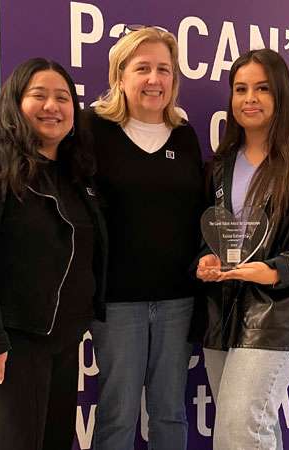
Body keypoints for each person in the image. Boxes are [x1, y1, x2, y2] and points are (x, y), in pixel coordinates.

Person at [0, 58, 106, 450]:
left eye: (63, 98)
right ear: (14, 103)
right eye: (39, 95)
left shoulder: (72, 172)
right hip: (6, 338)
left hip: (60, 339)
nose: (52, 106)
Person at [196, 48, 289, 450]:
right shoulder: (220, 165)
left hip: (277, 313)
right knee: (252, 427)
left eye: (261, 88)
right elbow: (207, 233)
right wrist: (204, 260)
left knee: (238, 432)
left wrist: (275, 269)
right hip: (222, 312)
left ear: (281, 96)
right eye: (240, 89)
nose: (249, 98)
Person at [81, 27, 204, 450]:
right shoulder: (91, 129)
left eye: (164, 70)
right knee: (118, 414)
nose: (155, 79)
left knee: (170, 412)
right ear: (120, 75)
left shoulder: (185, 135)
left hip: (177, 301)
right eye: (143, 68)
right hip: (116, 302)